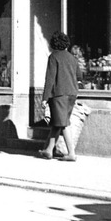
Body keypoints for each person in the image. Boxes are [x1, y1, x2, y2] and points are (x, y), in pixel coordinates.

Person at [39, 31, 80, 162]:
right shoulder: (71, 57)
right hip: (72, 93)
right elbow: (79, 75)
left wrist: (45, 98)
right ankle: (48, 150)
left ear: (53, 43)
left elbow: (49, 79)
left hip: (59, 94)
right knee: (58, 123)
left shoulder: (53, 57)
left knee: (63, 123)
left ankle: (71, 153)